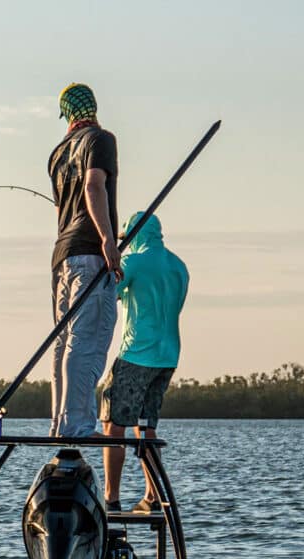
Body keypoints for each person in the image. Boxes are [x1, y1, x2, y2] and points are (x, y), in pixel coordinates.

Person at [100, 212, 189, 511]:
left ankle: (111, 497)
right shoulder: (179, 267)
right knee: (146, 427)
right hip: (168, 356)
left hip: (137, 353)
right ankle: (152, 495)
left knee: (113, 424)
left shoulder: (134, 262)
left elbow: (109, 294)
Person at [49, 83, 123, 438]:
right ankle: (77, 426)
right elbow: (94, 186)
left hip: (61, 258)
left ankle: (60, 424)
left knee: (64, 342)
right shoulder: (101, 139)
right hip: (90, 254)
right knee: (87, 339)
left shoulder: (57, 152)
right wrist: (108, 240)